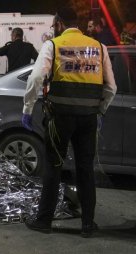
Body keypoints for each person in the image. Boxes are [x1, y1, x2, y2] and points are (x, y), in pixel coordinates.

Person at [22, 7, 117, 238]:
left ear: (59, 23)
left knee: (54, 167)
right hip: (88, 120)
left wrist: (28, 108)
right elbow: (111, 87)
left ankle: (44, 220)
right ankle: (87, 224)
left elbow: (36, 78)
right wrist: (100, 111)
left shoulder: (53, 45)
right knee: (85, 169)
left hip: (59, 118)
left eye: (54, 24)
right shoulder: (99, 47)